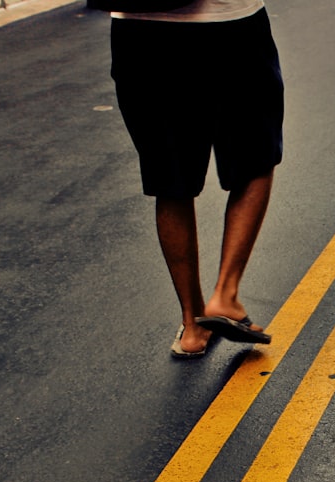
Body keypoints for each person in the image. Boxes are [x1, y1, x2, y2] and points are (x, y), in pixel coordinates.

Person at [108, 0, 284, 358]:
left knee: (170, 179)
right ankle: (225, 295)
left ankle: (192, 326)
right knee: (256, 157)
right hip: (229, 23)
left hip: (140, 30)